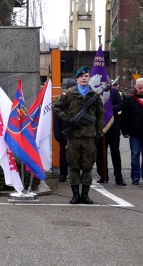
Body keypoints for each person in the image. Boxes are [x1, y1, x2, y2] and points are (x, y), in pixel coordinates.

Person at [53, 66, 104, 204]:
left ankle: (85, 195)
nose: (83, 78)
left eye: (86, 76)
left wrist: (99, 133)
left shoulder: (94, 95)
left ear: (89, 78)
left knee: (87, 166)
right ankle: (75, 195)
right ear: (76, 79)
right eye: (81, 76)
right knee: (74, 166)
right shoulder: (69, 94)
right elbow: (55, 107)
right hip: (73, 137)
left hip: (89, 137)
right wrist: (68, 119)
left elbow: (100, 115)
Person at [96, 87, 126, 186]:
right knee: (100, 153)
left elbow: (120, 105)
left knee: (115, 153)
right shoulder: (95, 91)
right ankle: (103, 175)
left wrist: (108, 109)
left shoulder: (114, 91)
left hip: (113, 126)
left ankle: (118, 177)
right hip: (100, 126)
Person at [53, 79, 77, 182]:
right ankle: (63, 173)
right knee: (63, 155)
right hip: (64, 133)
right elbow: (57, 117)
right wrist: (57, 133)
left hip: (75, 134)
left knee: (76, 156)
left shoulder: (79, 101)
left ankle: (75, 174)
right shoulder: (61, 100)